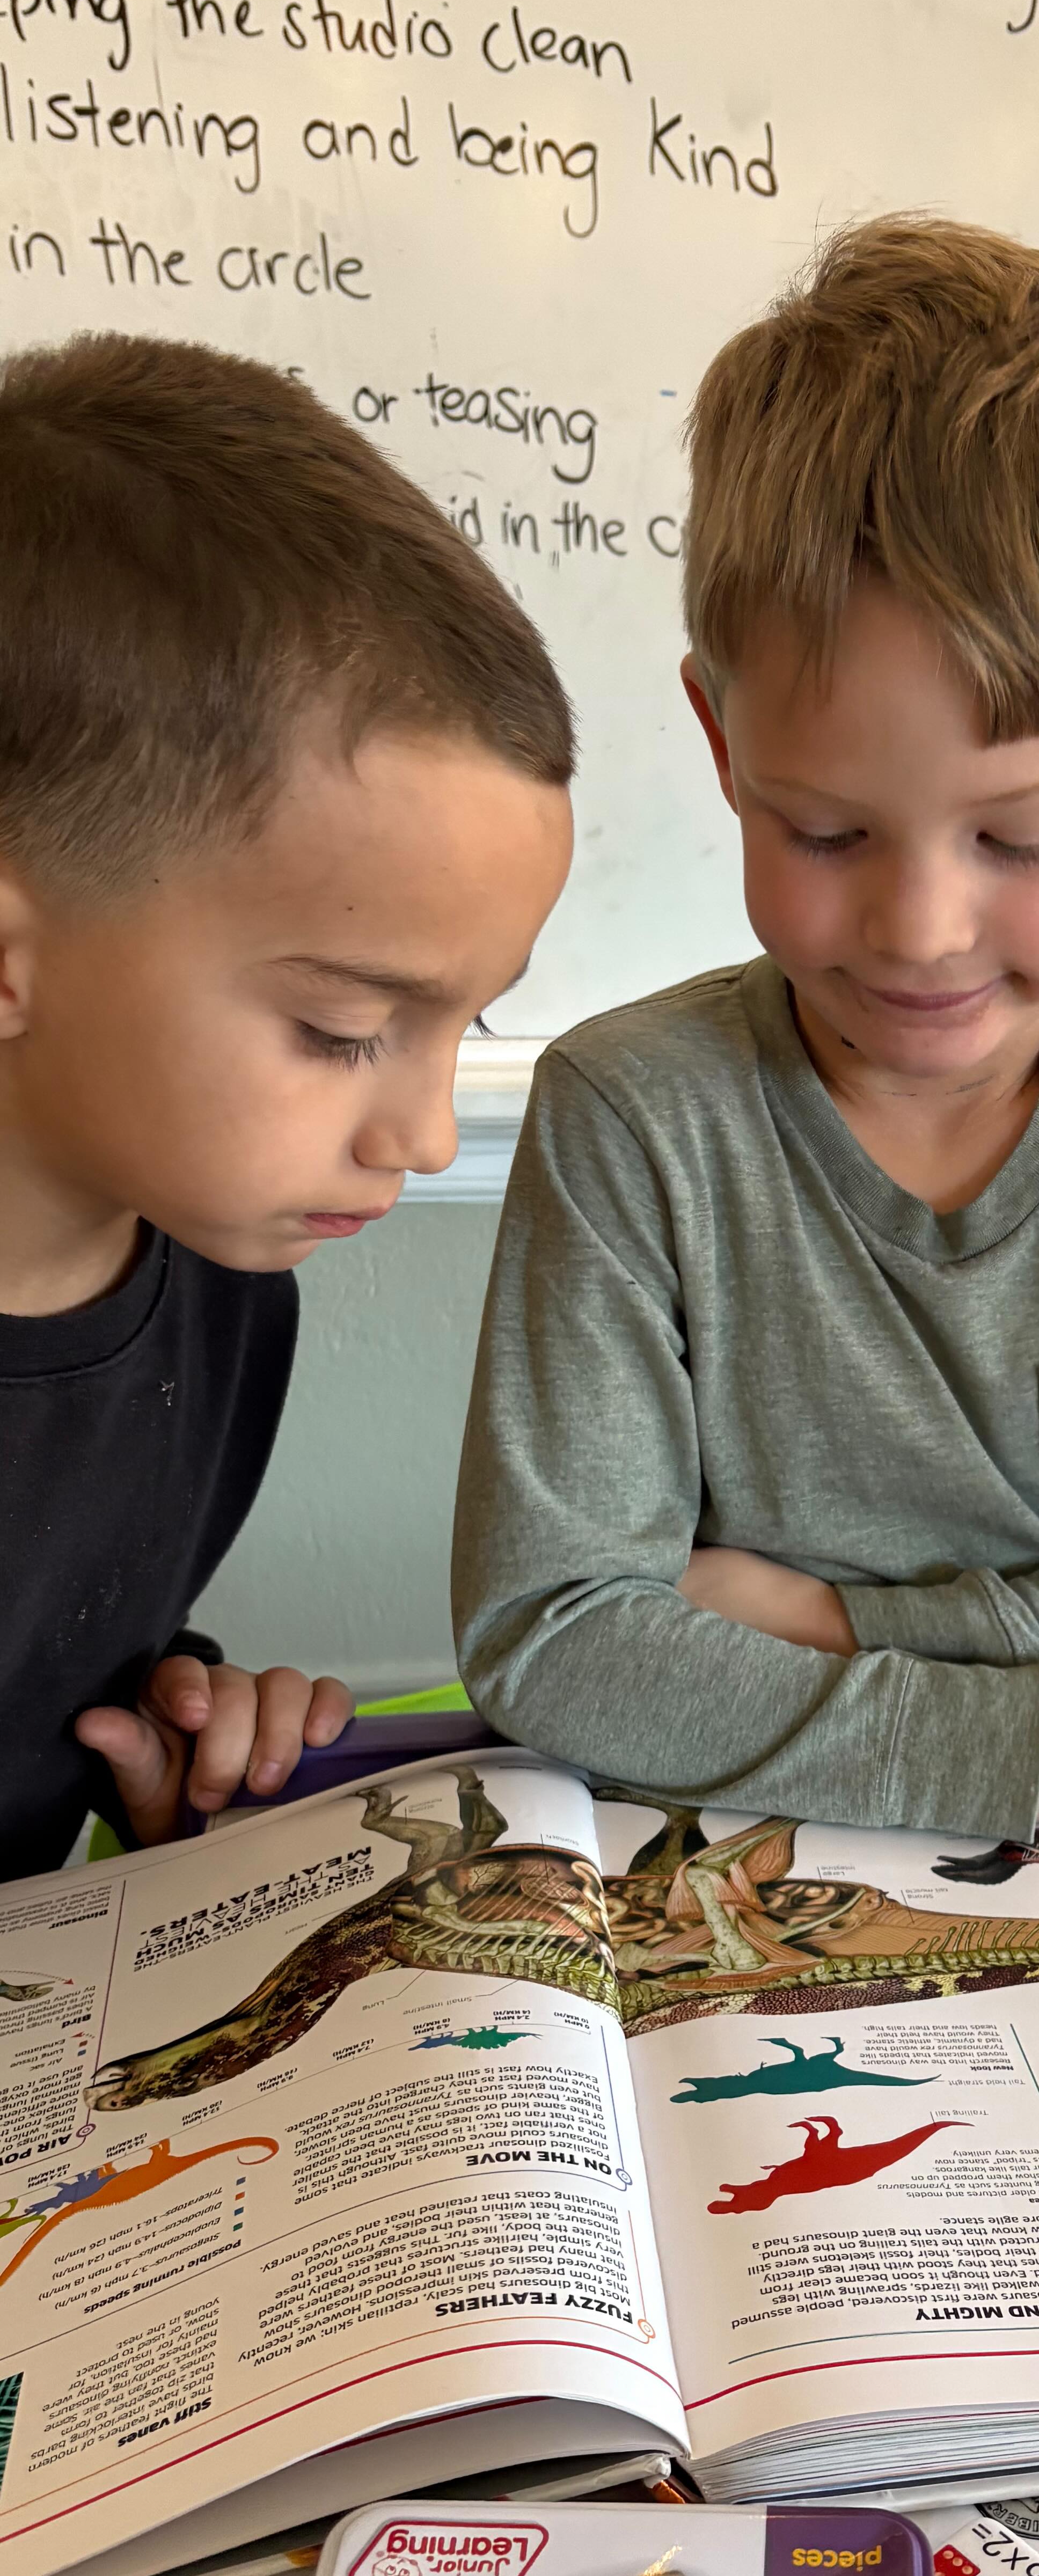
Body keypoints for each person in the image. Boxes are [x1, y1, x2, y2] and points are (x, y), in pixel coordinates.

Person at [454, 217, 1039, 1840]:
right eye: (826, 832)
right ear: (723, 743)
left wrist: (831, 1624)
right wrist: (1030, 1741)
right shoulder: (633, 1116)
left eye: (1022, 838)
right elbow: (554, 1636)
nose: (918, 930)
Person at [0, 333, 573, 1884]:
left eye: (466, 1024)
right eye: (345, 1030)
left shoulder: (221, 1287)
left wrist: (168, 1741)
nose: (426, 1138)